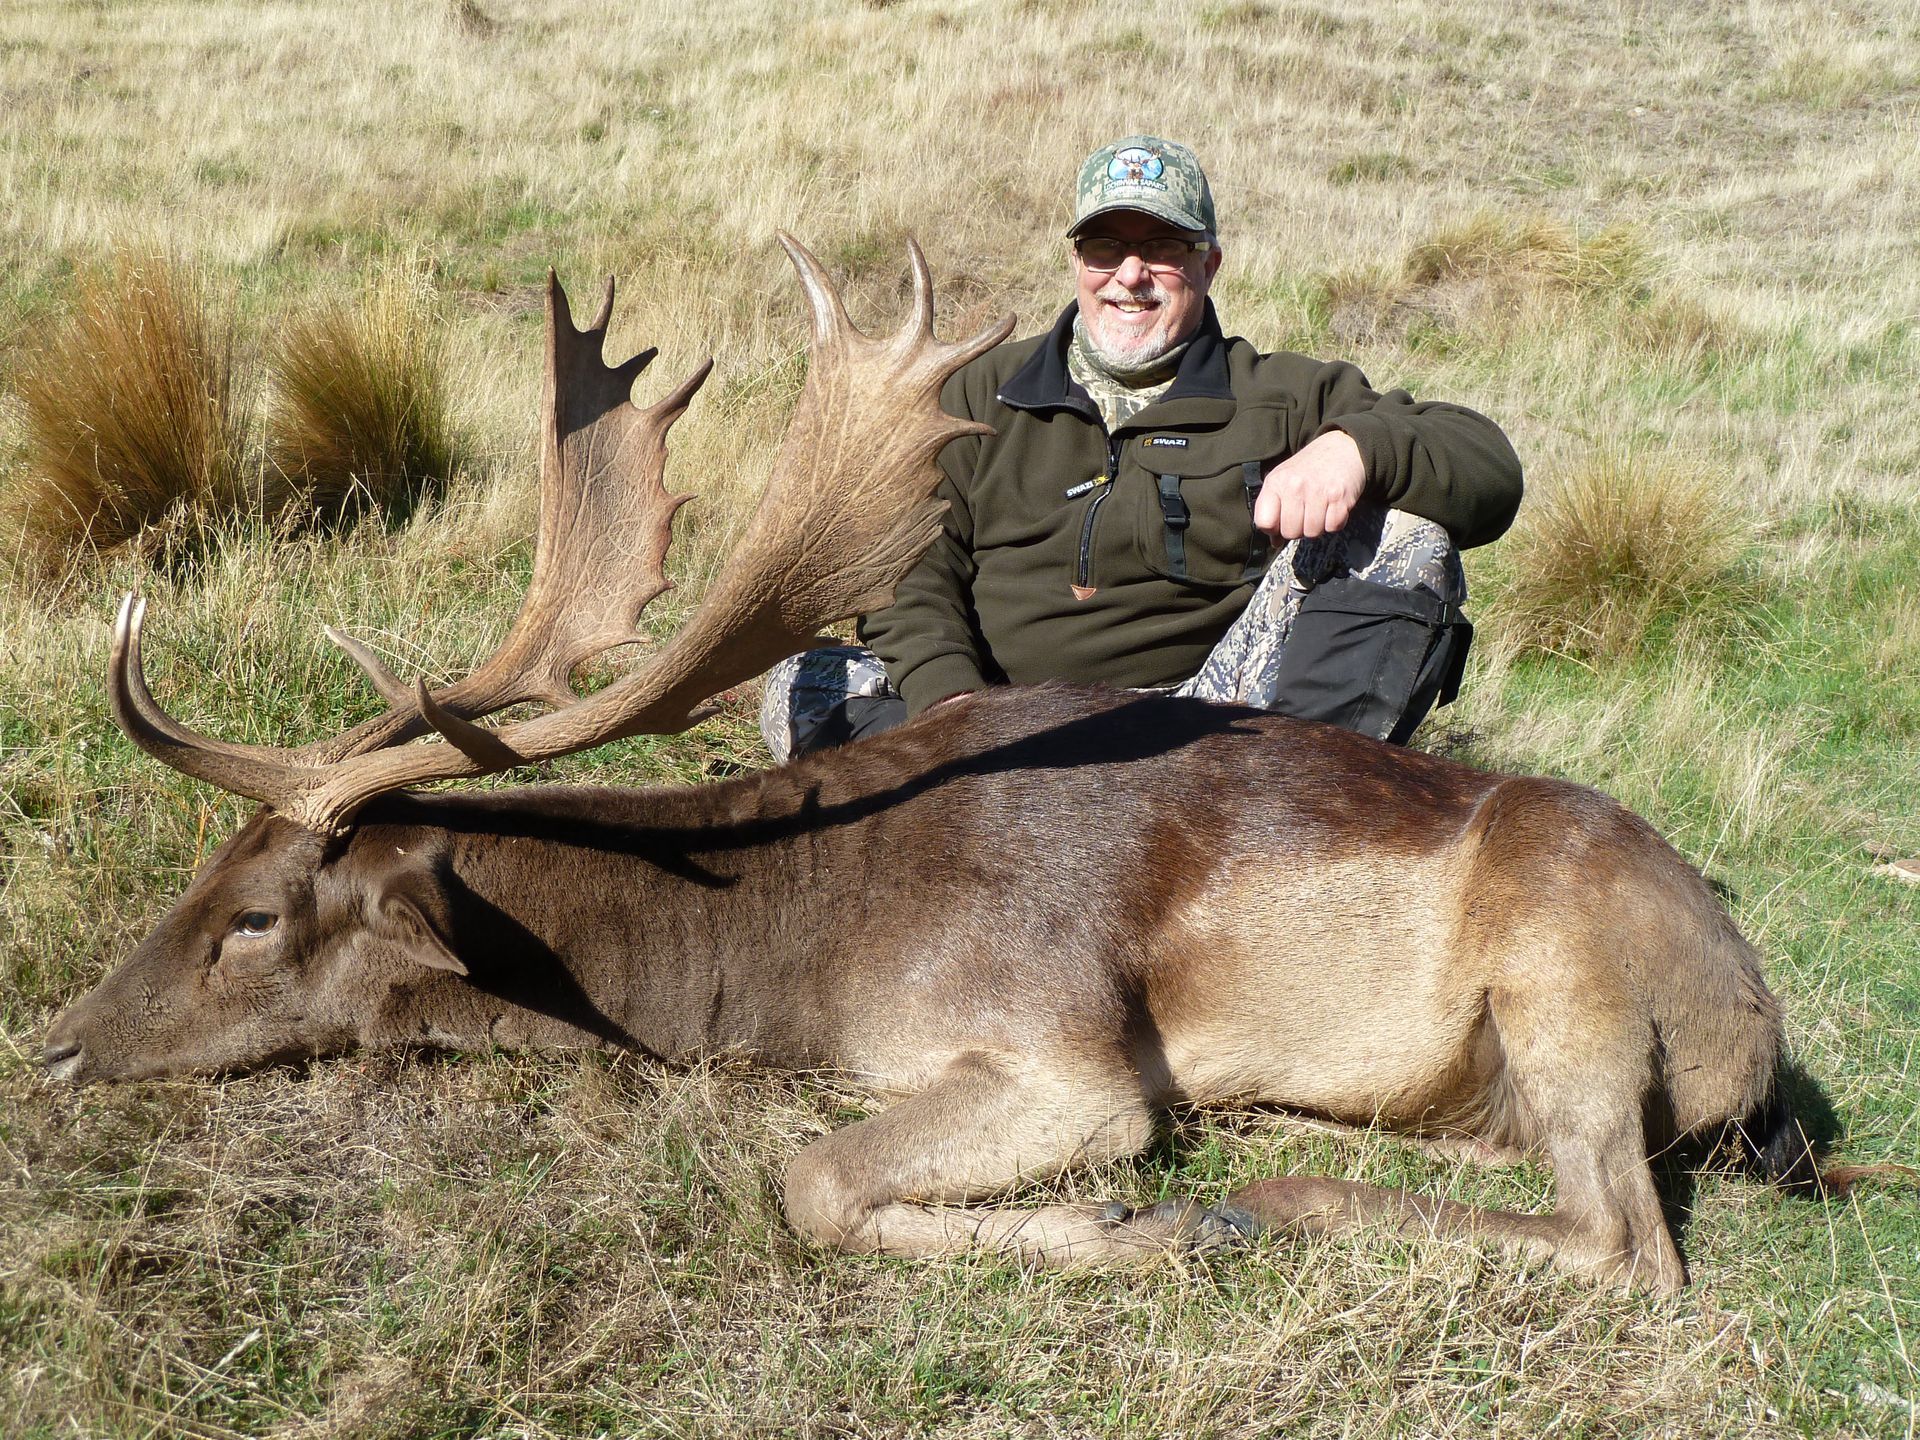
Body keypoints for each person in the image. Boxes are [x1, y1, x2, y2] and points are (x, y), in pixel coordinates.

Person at [761, 135, 1523, 760]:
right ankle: (998, 814)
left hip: (1206, 735)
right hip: (997, 721)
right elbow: (912, 576)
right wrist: (956, 712)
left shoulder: (1285, 394)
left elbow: (1486, 465)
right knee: (800, 684)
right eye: (1104, 248)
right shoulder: (974, 394)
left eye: (1161, 246)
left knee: (1406, 541)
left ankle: (1281, 837)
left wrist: (1355, 448)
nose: (1130, 276)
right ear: (1077, 262)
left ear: (1207, 264)